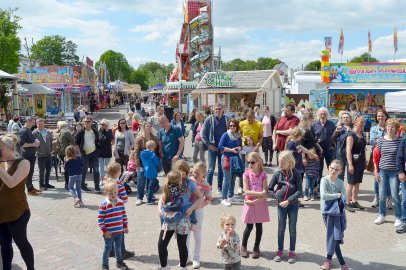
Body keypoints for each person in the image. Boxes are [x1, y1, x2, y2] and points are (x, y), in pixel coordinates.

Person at [0, 134, 35, 270]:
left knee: (21, 243)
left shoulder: (23, 163)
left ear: (11, 147)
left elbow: (11, 183)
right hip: (2, 211)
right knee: (4, 244)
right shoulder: (2, 165)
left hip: (18, 212)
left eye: (1, 147)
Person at [157, 169, 203, 270]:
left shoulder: (187, 185)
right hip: (168, 219)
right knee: (162, 243)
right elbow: (162, 198)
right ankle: (164, 266)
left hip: (182, 218)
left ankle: (183, 266)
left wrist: (191, 209)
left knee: (181, 245)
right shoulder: (167, 187)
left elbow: (200, 197)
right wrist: (159, 209)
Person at [268, 150, 302, 264]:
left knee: (292, 229)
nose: (280, 165)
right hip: (281, 205)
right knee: (281, 228)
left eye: (282, 163)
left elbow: (299, 191)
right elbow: (269, 189)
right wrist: (277, 197)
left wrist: (288, 200)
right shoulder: (277, 173)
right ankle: (280, 250)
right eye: (279, 162)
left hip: (293, 206)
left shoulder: (296, 173)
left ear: (290, 162)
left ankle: (292, 252)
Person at [319, 159, 351, 270]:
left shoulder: (341, 182)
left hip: (339, 213)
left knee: (335, 237)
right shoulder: (324, 180)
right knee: (333, 237)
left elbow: (344, 197)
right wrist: (337, 195)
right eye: (332, 168)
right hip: (327, 213)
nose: (333, 170)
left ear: (340, 171)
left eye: (336, 169)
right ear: (328, 168)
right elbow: (323, 196)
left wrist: (337, 196)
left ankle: (328, 260)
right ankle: (340, 262)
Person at [373, 119, 403, 229]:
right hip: (382, 171)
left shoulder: (400, 140)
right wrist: (376, 171)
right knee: (381, 195)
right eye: (388, 127)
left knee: (395, 195)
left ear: (396, 129)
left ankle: (398, 217)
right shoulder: (381, 140)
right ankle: (381, 215)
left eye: (392, 127)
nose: (390, 129)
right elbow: (376, 157)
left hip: (394, 172)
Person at [240, 152, 269, 259]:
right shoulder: (246, 174)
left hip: (259, 203)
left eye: (252, 162)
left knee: (259, 226)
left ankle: (256, 247)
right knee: (249, 226)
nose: (250, 165)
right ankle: (243, 246)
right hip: (250, 202)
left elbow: (265, 192)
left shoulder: (263, 174)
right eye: (248, 162)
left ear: (258, 162)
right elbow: (246, 191)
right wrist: (260, 194)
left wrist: (258, 198)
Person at [105, 162, 135, 260]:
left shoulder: (107, 182)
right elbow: (125, 199)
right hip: (118, 210)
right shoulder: (119, 185)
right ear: (118, 173)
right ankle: (122, 251)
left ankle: (110, 250)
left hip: (108, 209)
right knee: (119, 231)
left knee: (110, 228)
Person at [98, 181, 129, 270]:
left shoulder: (121, 203)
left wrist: (125, 226)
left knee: (118, 248)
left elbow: (124, 215)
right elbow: (100, 220)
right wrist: (104, 231)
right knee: (107, 249)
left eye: (115, 192)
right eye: (111, 193)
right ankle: (105, 265)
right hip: (109, 232)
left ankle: (119, 262)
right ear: (106, 193)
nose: (113, 194)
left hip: (119, 231)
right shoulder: (103, 205)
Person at [187, 162, 212, 268]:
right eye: (193, 172)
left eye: (197, 173)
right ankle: (186, 257)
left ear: (204, 173)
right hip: (187, 210)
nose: (195, 174)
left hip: (198, 212)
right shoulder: (189, 180)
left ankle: (196, 258)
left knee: (197, 234)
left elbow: (209, 199)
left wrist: (201, 205)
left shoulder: (206, 185)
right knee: (185, 234)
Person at [201, 103, 229, 194]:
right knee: (210, 169)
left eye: (219, 109)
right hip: (212, 148)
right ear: (213, 110)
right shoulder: (209, 119)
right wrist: (209, 145)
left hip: (222, 149)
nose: (217, 111)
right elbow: (203, 134)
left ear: (223, 109)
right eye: (216, 109)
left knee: (221, 169)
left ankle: (219, 188)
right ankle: (208, 189)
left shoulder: (226, 120)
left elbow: (230, 133)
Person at [218, 118, 243, 207]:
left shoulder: (238, 135)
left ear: (237, 127)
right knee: (227, 179)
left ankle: (230, 196)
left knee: (233, 179)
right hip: (226, 158)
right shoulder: (225, 134)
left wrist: (239, 148)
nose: (232, 127)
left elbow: (240, 145)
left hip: (235, 159)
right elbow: (220, 146)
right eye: (230, 125)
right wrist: (231, 150)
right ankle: (223, 198)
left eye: (234, 125)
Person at [370, 109, 392, 208]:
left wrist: (380, 140)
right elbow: (372, 142)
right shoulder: (374, 129)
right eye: (378, 116)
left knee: (389, 177)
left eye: (382, 116)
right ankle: (377, 197)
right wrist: (384, 140)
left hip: (389, 156)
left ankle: (389, 198)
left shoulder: (390, 127)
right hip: (377, 156)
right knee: (377, 177)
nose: (380, 118)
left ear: (386, 116)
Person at [344, 116, 367, 212]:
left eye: (363, 122)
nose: (362, 124)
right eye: (360, 122)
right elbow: (348, 150)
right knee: (350, 183)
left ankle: (354, 201)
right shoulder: (351, 134)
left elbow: (363, 149)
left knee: (357, 183)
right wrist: (350, 164)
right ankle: (347, 203)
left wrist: (365, 161)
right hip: (352, 162)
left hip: (360, 162)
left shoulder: (362, 134)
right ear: (355, 122)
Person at [75, 116, 101, 193]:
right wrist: (79, 152)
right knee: (84, 170)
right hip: (84, 154)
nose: (86, 123)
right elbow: (76, 143)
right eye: (85, 122)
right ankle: (82, 186)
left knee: (96, 170)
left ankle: (97, 187)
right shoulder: (80, 132)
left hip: (94, 153)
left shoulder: (95, 131)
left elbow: (97, 141)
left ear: (91, 123)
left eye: (88, 122)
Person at [311, 107, 336, 187]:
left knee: (331, 168)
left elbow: (335, 136)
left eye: (324, 114)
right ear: (318, 115)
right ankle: (318, 186)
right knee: (319, 169)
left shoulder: (331, 124)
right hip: (319, 151)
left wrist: (333, 146)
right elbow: (311, 138)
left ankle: (331, 184)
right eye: (321, 114)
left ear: (327, 115)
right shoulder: (314, 125)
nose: (323, 115)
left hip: (329, 150)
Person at [18, 116, 41, 196]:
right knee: (28, 172)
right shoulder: (23, 131)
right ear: (28, 121)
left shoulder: (28, 130)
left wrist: (35, 142)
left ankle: (30, 187)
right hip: (27, 155)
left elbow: (28, 142)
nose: (34, 124)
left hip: (31, 154)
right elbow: (22, 144)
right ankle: (29, 189)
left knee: (31, 172)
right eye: (33, 122)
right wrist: (33, 144)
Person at [33, 118, 55, 190]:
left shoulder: (48, 132)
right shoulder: (34, 133)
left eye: (41, 124)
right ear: (36, 124)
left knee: (48, 170)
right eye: (39, 124)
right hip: (40, 155)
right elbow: (33, 144)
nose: (40, 125)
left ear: (44, 124)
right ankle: (41, 185)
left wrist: (52, 149)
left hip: (48, 154)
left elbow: (51, 141)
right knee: (41, 171)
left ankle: (47, 183)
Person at [332, 111, 353, 180]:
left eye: (347, 117)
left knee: (350, 174)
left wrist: (351, 131)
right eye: (344, 118)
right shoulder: (339, 128)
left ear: (350, 118)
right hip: (340, 154)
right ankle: (339, 189)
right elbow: (332, 139)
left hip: (351, 154)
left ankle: (349, 189)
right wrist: (336, 132)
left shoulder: (353, 128)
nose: (345, 119)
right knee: (340, 173)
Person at [140, 140, 161, 205]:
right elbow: (157, 163)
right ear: (152, 147)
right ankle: (149, 200)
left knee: (148, 185)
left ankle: (149, 196)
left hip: (146, 172)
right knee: (151, 187)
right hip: (152, 172)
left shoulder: (142, 154)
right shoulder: (153, 155)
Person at [57, 121, 75, 190]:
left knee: (66, 168)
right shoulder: (66, 132)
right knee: (68, 169)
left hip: (61, 152)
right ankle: (68, 184)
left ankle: (67, 183)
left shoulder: (61, 132)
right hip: (66, 152)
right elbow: (72, 141)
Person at [396, 130, 406, 234]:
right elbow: (399, 157)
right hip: (405, 175)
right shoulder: (404, 140)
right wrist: (400, 172)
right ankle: (404, 221)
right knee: (405, 200)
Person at [98, 119, 113, 185]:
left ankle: (108, 179)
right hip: (100, 151)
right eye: (101, 124)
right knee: (101, 167)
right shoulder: (98, 131)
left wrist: (107, 130)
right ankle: (101, 179)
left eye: (103, 124)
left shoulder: (109, 131)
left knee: (107, 166)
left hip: (107, 151)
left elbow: (109, 138)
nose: (102, 126)